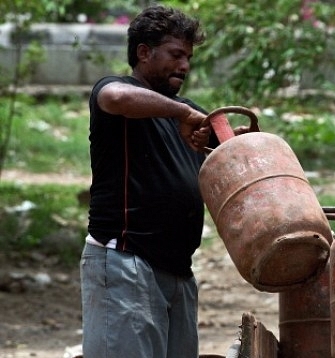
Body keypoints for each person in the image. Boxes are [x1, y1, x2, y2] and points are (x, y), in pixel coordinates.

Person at [80, 5, 229, 358]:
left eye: (189, 57)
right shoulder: (118, 92)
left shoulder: (187, 113)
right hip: (126, 262)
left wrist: (235, 138)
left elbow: (235, 152)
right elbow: (116, 98)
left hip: (178, 271)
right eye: (176, 55)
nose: (185, 66)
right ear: (144, 53)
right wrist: (183, 113)